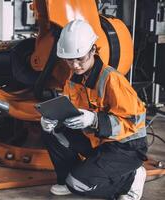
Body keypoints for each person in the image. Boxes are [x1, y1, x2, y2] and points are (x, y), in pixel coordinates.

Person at [40, 19, 147, 200]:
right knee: (52, 132)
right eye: (69, 60)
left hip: (125, 147)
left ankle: (132, 178)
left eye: (80, 59)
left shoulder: (111, 79)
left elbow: (132, 122)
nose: (74, 65)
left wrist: (94, 120)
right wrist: (51, 119)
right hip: (98, 141)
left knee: (79, 185)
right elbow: (68, 109)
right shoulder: (73, 79)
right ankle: (66, 178)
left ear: (93, 50)